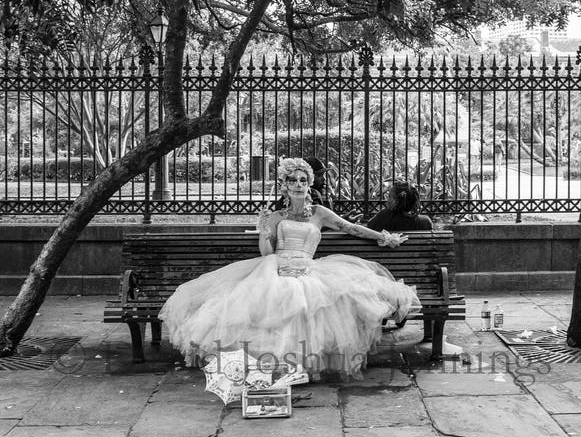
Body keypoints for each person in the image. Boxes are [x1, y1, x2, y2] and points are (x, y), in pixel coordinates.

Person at [159, 158, 421, 380]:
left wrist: (384, 237)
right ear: (285, 185)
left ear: (309, 185)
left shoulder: (320, 213)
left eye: (303, 180)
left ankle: (300, 365)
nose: (298, 185)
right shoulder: (276, 217)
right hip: (276, 267)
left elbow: (350, 228)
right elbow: (266, 254)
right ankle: (270, 366)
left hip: (310, 268)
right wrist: (263, 229)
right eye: (293, 180)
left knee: (316, 301)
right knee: (270, 301)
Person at [367, 181, 433, 232]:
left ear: (396, 202)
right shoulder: (425, 222)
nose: (387, 200)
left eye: (390, 197)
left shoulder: (384, 217)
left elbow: (368, 229)